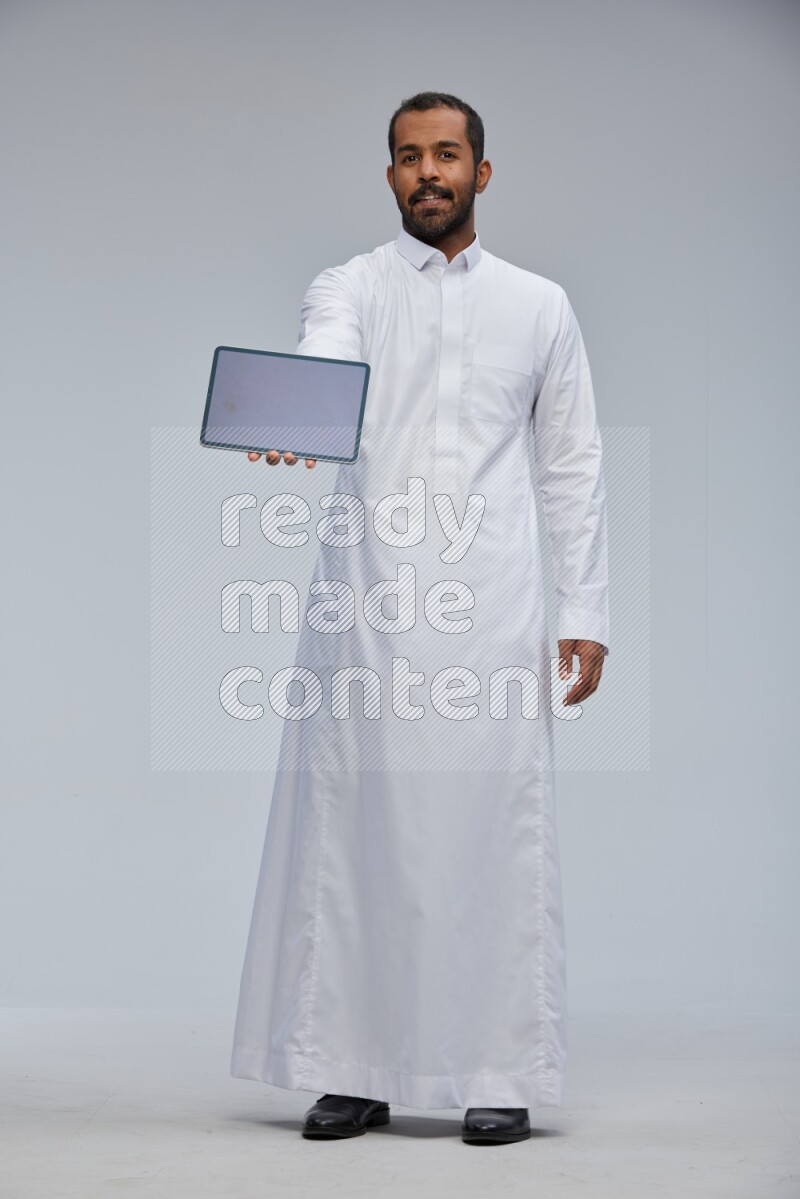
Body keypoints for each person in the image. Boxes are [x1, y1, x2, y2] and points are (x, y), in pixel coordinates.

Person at [230, 91, 610, 1146]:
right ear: (388, 175)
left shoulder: (539, 305)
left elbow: (571, 464)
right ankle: (348, 1069)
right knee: (354, 836)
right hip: (367, 605)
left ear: (482, 172)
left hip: (493, 606)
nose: (426, 172)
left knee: (493, 831)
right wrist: (292, 408)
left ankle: (498, 1069)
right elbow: (325, 354)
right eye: (407, 157)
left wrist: (582, 609)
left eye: (446, 154)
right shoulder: (349, 284)